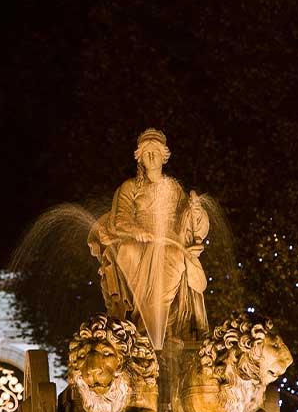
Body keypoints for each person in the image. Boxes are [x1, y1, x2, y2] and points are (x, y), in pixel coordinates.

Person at [88, 128, 209, 349]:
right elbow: (119, 221)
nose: (151, 156)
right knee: (129, 252)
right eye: (146, 152)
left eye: (155, 151)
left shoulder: (174, 188)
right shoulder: (129, 187)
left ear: (164, 155)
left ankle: (157, 326)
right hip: (137, 239)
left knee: (172, 255)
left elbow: (188, 222)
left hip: (169, 241)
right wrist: (137, 231)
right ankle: (141, 323)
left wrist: (196, 212)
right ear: (140, 157)